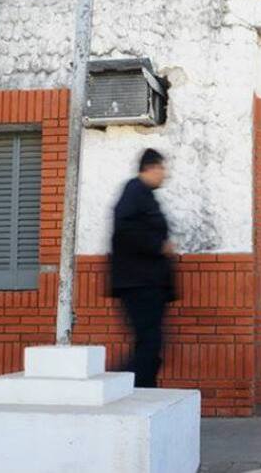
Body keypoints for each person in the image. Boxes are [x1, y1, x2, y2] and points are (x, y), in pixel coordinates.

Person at [110, 148, 175, 387]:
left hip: (146, 284)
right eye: (162, 169)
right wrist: (159, 246)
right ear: (150, 168)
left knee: (149, 343)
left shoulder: (144, 195)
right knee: (149, 343)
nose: (164, 175)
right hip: (139, 285)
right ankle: (123, 386)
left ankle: (140, 390)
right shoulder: (134, 191)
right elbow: (124, 232)